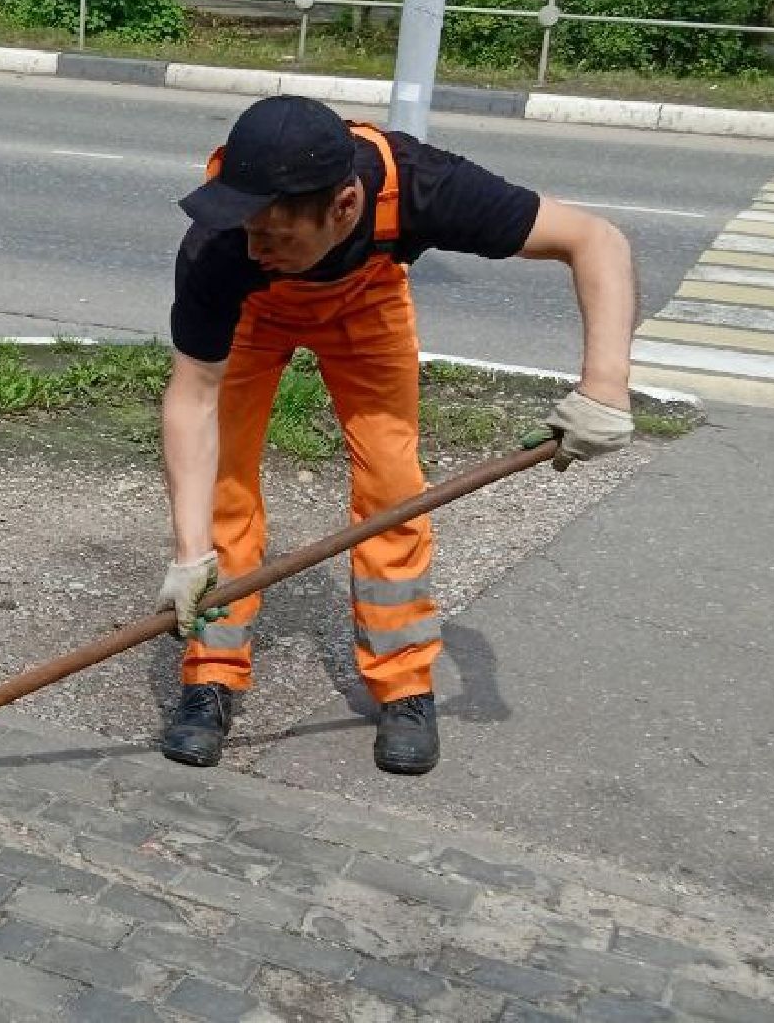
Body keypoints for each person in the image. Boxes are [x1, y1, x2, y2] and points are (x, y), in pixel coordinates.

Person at [154, 95, 638, 773]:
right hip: (252, 320)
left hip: (365, 308)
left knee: (391, 486)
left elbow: (594, 241)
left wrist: (605, 385)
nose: (256, 248)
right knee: (222, 491)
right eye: (248, 231)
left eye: (277, 236)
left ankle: (404, 686)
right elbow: (192, 397)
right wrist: (186, 553)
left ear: (344, 207)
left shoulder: (424, 186)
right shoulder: (223, 243)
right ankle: (209, 678)